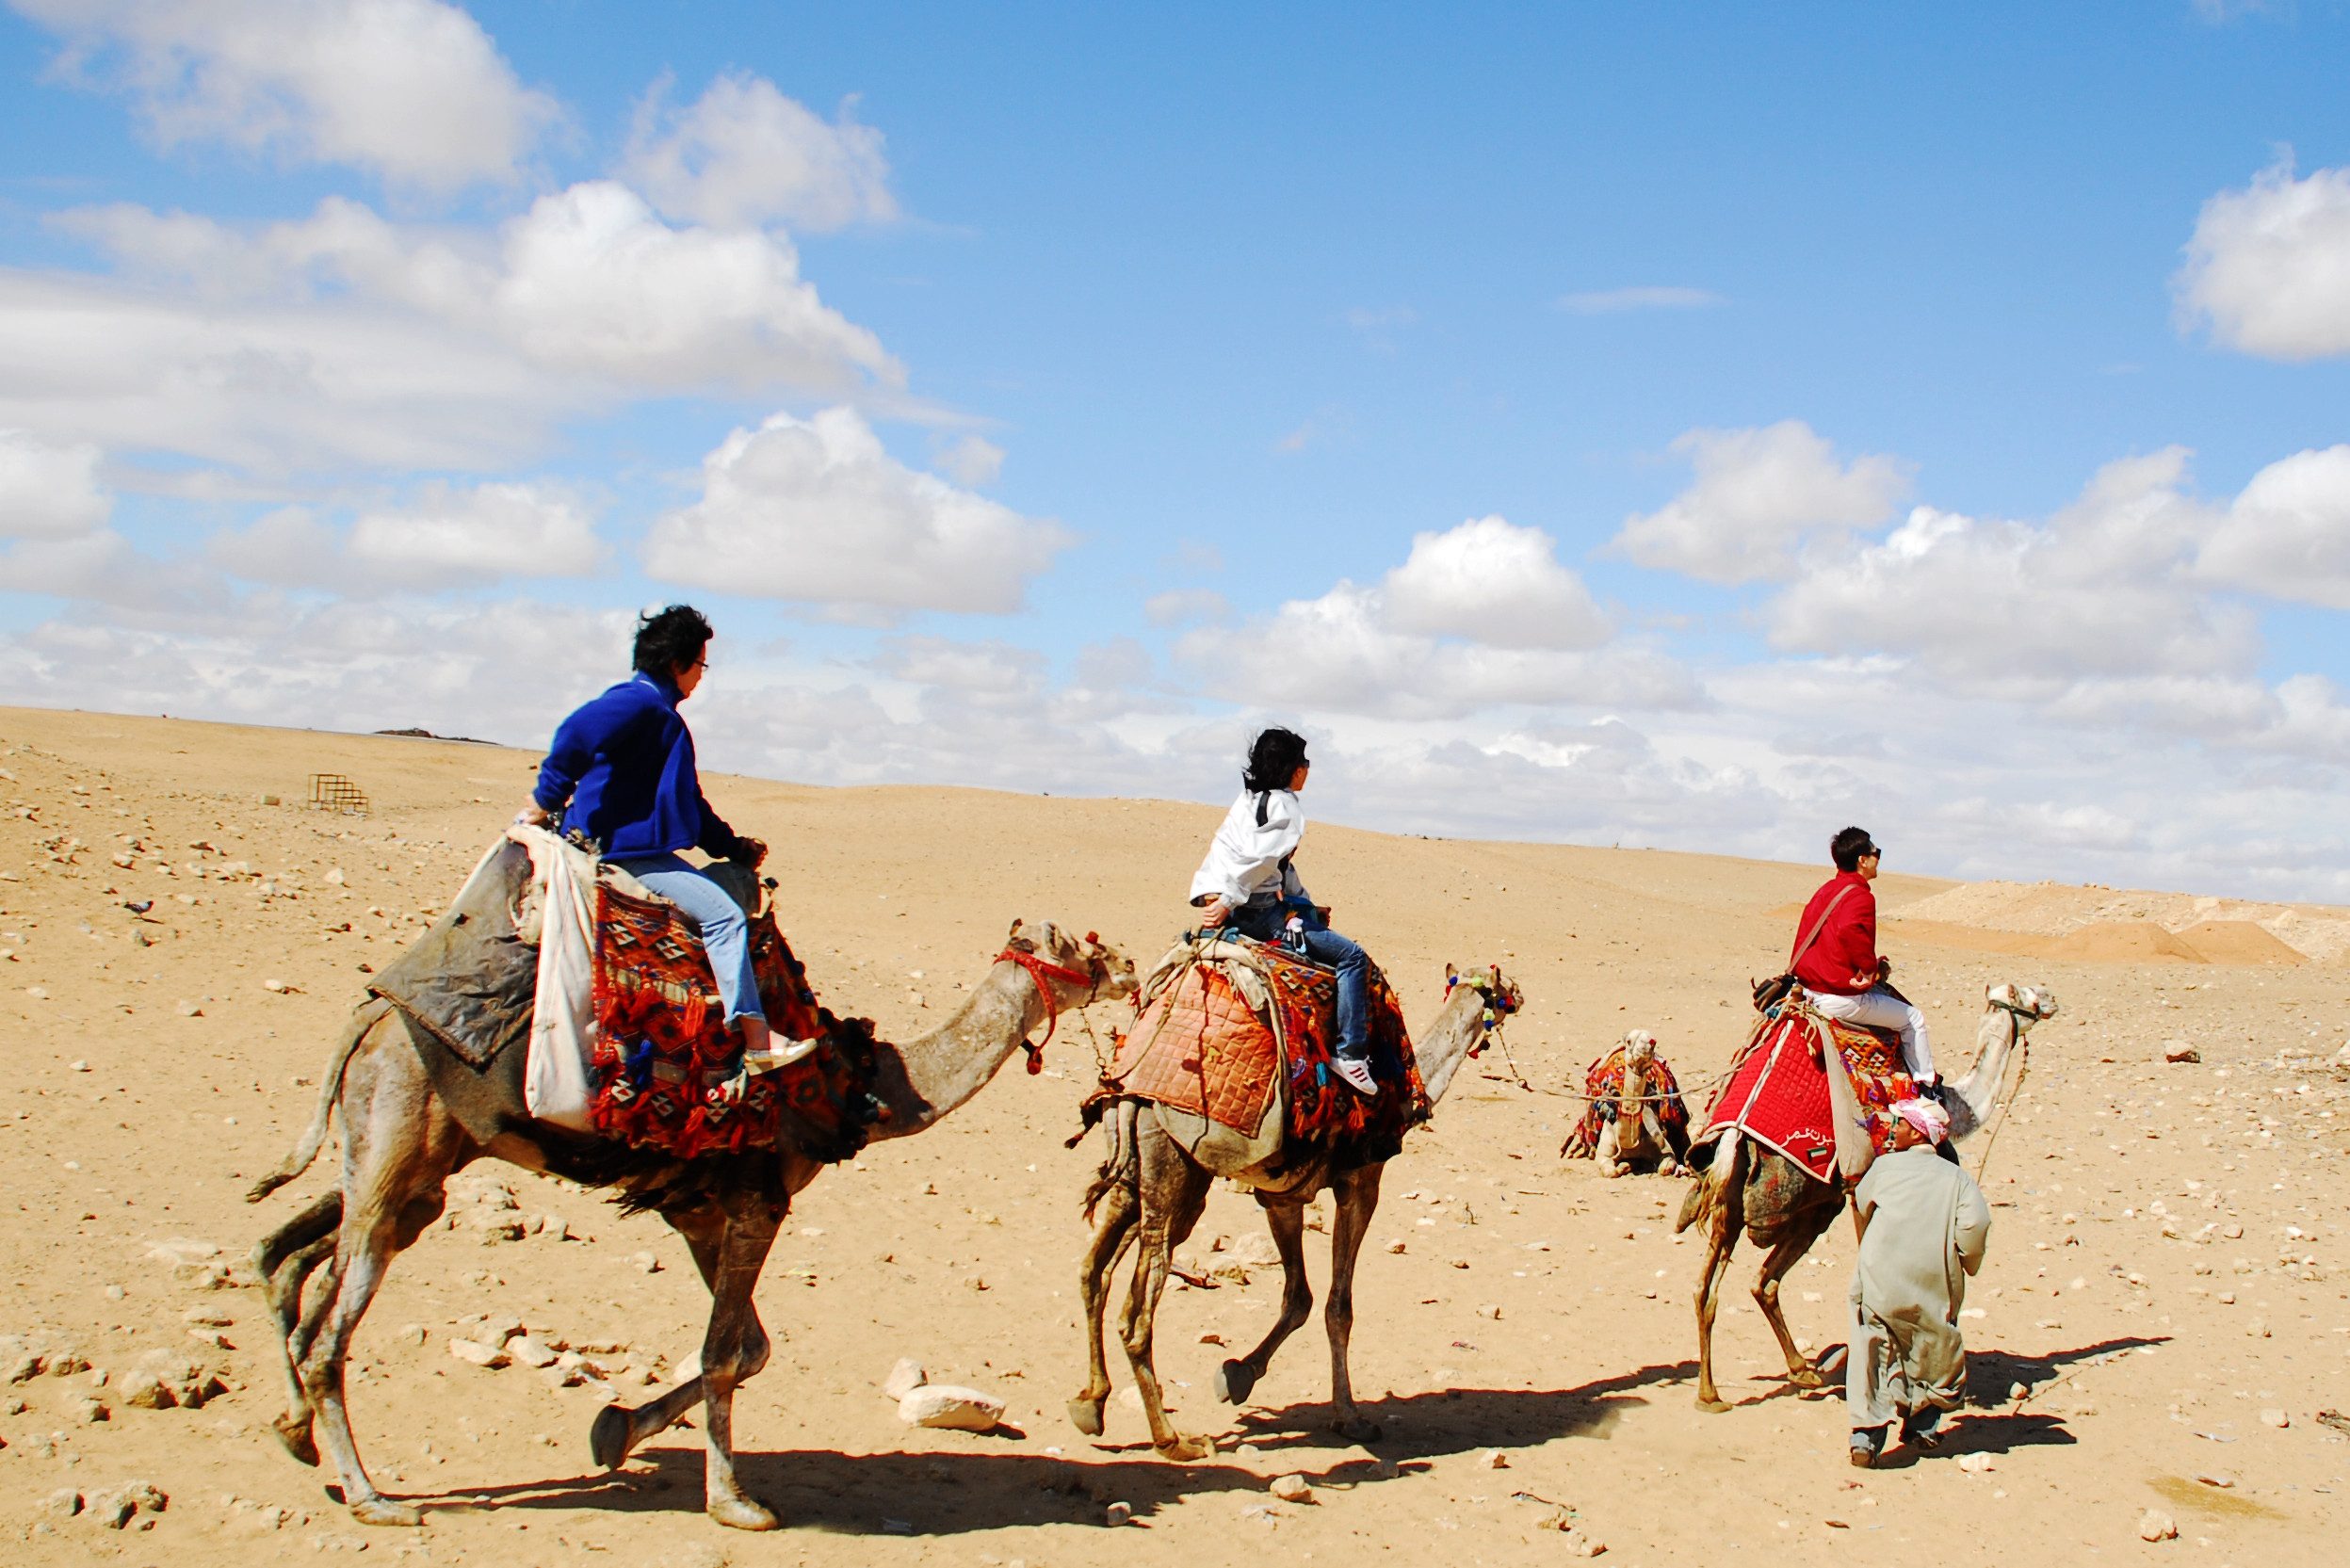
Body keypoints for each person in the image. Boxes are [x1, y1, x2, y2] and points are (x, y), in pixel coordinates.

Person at [520, 605, 806, 1075]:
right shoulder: (641, 705)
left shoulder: (658, 716)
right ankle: (758, 1039)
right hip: (628, 855)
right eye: (701, 665)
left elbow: (687, 803)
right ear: (678, 664)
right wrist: (545, 799)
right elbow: (576, 730)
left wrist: (734, 848)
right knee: (725, 917)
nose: (701, 676)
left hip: (637, 850)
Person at [1188, 728, 1380, 1096]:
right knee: (1352, 958)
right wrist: (1229, 900)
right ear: (1294, 769)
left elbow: (1262, 862)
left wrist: (1299, 901)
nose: (1307, 770)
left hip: (1224, 904)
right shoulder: (1286, 806)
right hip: (1257, 913)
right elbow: (1263, 861)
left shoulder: (1247, 800)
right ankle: (1351, 1055)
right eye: (1304, 763)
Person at [1845, 1098, 1989, 1467]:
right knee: (1933, 1345)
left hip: (1879, 1277)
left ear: (1917, 1132)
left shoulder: (1883, 1168)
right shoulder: (1958, 1180)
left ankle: (1866, 1438)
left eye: (1901, 1124)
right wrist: (1968, 1263)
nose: (1894, 1130)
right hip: (1934, 1280)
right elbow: (1975, 1226)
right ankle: (1922, 1425)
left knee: (1871, 1348)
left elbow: (1862, 1205)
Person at [1790, 826, 1936, 1083]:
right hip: (1839, 997)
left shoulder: (1827, 890)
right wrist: (1868, 969)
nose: (1878, 858)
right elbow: (1849, 929)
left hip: (1809, 990)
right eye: (1876, 852)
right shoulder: (1860, 895)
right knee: (1913, 1019)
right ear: (1862, 860)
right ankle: (1926, 1087)